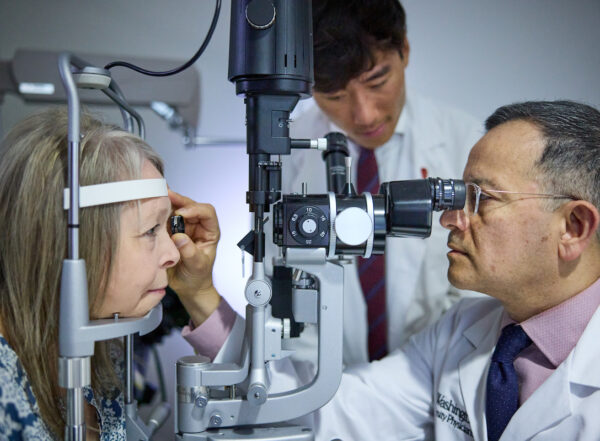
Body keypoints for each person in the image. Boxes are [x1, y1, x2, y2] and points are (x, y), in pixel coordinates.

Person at [185, 100, 600, 440]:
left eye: (481, 198)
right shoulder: (460, 333)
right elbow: (330, 414)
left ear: (573, 227)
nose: (449, 219)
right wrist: (200, 295)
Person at [265, 0, 483, 365]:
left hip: (440, 377)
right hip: (330, 386)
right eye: (334, 96)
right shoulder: (285, 152)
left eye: (377, 80)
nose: (364, 114)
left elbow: (479, 294)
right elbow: (283, 288)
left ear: (405, 51)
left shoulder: (467, 143)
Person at [0, 108, 220, 440]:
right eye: (149, 231)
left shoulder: (106, 352)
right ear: (66, 240)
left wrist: (199, 291)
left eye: (168, 226)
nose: (175, 253)